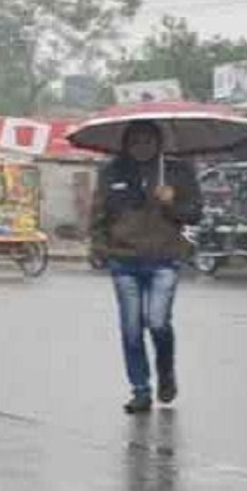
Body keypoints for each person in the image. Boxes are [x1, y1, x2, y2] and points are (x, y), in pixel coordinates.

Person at [90, 122, 202, 415]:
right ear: (126, 144)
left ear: (159, 143)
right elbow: (98, 215)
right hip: (124, 260)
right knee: (131, 329)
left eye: (148, 141)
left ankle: (166, 373)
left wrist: (172, 202)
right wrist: (100, 249)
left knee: (157, 322)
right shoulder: (111, 172)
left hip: (164, 259)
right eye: (135, 141)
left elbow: (195, 213)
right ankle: (140, 389)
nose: (142, 147)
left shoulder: (178, 172)